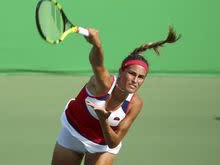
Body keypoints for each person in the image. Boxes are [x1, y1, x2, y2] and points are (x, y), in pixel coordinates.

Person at [51, 26, 181, 165]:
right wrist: (97, 44)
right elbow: (97, 63)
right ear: (121, 71)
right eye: (132, 74)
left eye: (141, 77)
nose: (135, 81)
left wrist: (103, 120)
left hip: (102, 147)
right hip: (73, 132)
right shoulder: (103, 84)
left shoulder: (135, 104)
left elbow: (113, 142)